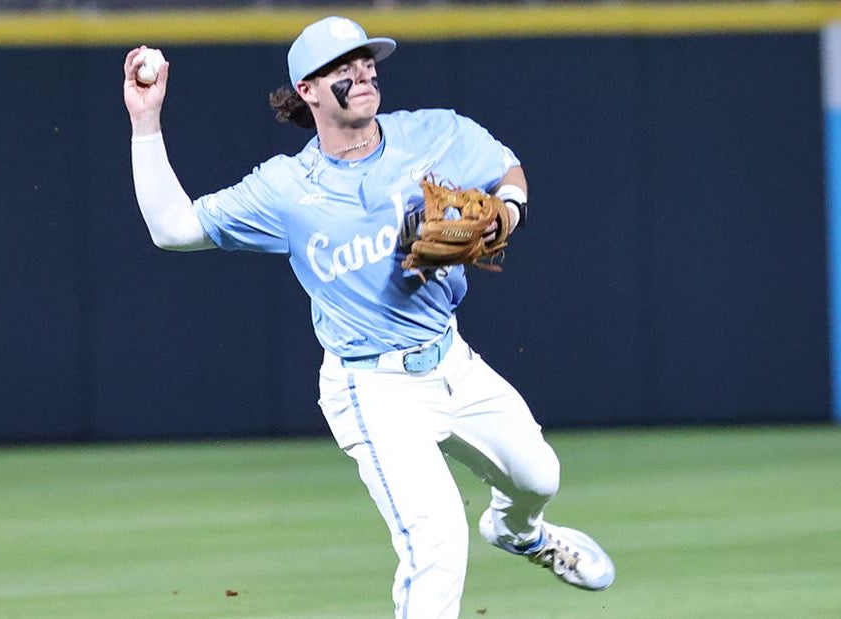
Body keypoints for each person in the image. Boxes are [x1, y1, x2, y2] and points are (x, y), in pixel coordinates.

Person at [122, 16, 615, 618]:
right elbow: (172, 229)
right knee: (435, 546)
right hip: (372, 387)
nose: (361, 72)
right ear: (307, 89)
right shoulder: (285, 189)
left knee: (538, 478)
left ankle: (521, 534)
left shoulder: (434, 134)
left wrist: (506, 214)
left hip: (450, 357)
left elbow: (506, 170)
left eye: (366, 60)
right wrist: (145, 121)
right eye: (341, 67)